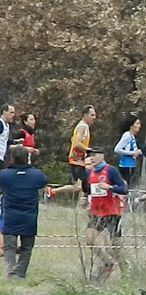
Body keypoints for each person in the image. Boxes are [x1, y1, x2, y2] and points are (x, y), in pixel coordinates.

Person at [0, 146, 48, 279]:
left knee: (9, 247)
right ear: (27, 159)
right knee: (27, 247)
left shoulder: (4, 175)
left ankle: (11, 271)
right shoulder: (37, 175)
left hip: (10, 216)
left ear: (12, 159)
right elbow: (44, 181)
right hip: (29, 216)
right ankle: (20, 273)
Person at [80, 147, 128, 280]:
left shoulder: (110, 170)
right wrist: (84, 199)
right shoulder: (89, 173)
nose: (92, 158)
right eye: (91, 156)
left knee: (116, 246)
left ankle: (125, 273)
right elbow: (86, 190)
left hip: (112, 212)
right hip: (97, 213)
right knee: (89, 239)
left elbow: (123, 189)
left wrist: (110, 187)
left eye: (95, 155)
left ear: (102, 156)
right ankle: (107, 261)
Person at [46, 105, 96, 198]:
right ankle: (52, 191)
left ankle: (53, 191)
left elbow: (73, 139)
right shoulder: (82, 127)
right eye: (92, 115)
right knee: (82, 185)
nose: (94, 118)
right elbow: (76, 143)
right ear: (85, 115)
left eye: (94, 115)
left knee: (79, 186)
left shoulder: (84, 126)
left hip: (79, 159)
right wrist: (89, 150)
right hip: (77, 160)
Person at [113, 115, 142, 187]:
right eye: (137, 123)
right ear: (131, 125)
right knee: (126, 186)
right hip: (126, 165)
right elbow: (117, 149)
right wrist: (132, 153)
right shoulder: (127, 135)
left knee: (131, 186)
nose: (139, 126)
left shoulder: (132, 136)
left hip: (132, 164)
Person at [0, 104, 23, 170]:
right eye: (11, 112)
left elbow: (4, 139)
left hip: (2, 157)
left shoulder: (7, 125)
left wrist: (15, 141)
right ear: (4, 112)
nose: (13, 115)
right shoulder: (0, 124)